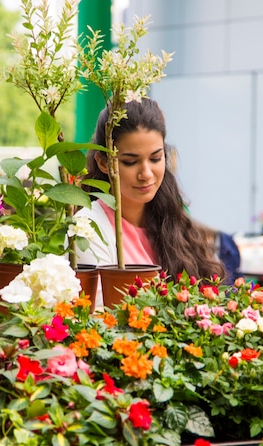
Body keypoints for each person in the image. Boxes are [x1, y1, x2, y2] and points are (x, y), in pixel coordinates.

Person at [75, 98, 225, 305]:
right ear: (103, 162)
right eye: (130, 162)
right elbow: (102, 317)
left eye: (155, 158)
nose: (146, 174)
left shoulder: (170, 217)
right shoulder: (87, 228)